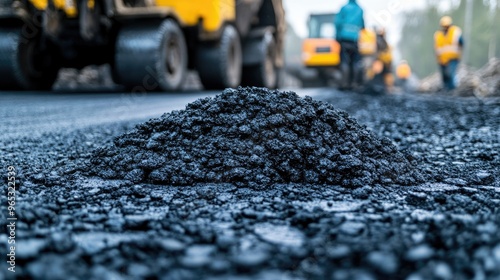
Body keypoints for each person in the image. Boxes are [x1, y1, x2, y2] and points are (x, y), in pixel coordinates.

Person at [334, 0, 365, 89]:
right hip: (354, 39)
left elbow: (337, 23)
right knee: (355, 61)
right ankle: (355, 83)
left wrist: (337, 36)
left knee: (344, 60)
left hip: (344, 38)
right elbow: (363, 25)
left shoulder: (344, 8)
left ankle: (344, 84)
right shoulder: (360, 9)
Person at [434, 16, 463, 90]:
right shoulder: (438, 35)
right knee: (444, 75)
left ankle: (452, 89)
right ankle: (446, 89)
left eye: (447, 26)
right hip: (442, 60)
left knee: (450, 73)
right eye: (444, 27)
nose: (445, 28)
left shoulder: (455, 32)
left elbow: (461, 43)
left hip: (453, 58)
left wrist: (459, 53)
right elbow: (437, 48)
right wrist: (438, 59)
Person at [375, 27, 394, 92]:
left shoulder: (380, 40)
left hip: (383, 62)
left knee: (385, 74)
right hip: (381, 62)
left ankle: (387, 88)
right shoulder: (379, 40)